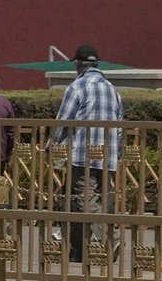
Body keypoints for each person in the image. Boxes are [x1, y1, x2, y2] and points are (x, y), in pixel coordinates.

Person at [52, 44, 123, 264]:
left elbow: (63, 121)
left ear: (79, 64)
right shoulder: (113, 90)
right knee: (100, 197)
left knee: (84, 198)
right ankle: (79, 250)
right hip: (108, 154)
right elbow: (120, 126)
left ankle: (106, 240)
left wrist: (53, 145)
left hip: (83, 153)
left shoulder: (77, 87)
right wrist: (116, 153)